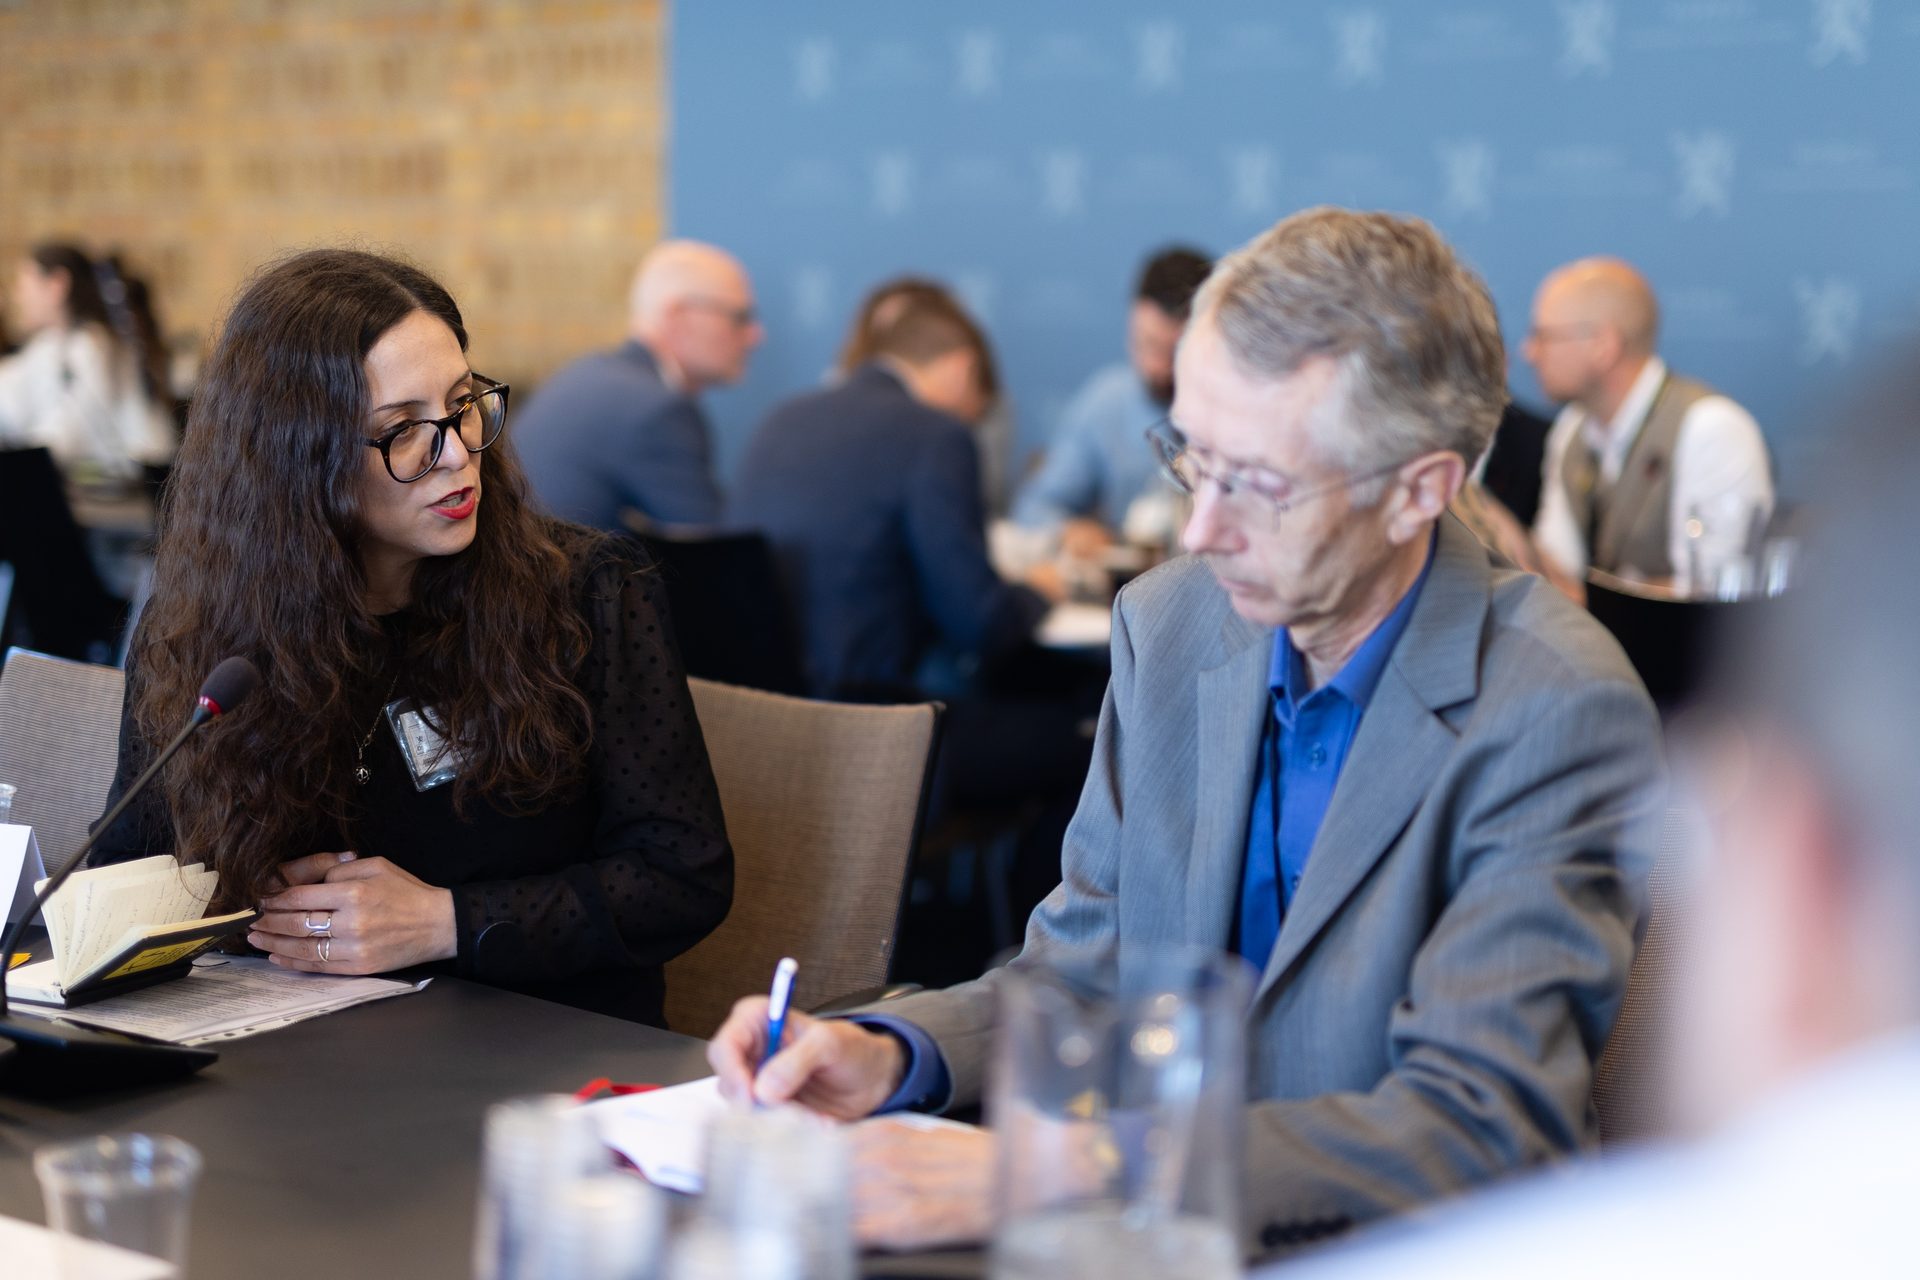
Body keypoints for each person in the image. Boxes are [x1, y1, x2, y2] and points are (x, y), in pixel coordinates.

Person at [708, 208, 1664, 1258]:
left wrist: (1045, 1170)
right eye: (1190, 458)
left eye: (1254, 481)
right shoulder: (1170, 623)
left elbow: (1472, 1122)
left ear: (1420, 488)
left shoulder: (1554, 701)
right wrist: (893, 1053)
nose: (1201, 529)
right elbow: (1081, 965)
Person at [1272, 354, 1920, 1279]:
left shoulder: (1703, 446)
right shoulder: (1573, 441)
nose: (1533, 353)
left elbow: (1704, 584)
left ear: (1795, 864)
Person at [92, 248, 733, 1027]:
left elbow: (682, 876)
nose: (459, 455)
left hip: (528, 1049)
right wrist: (236, 896)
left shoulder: (589, 593)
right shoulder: (205, 627)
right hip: (293, 1055)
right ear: (296, 460)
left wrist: (443, 922)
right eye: (402, 432)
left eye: (462, 405)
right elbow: (131, 864)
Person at [729, 284, 1060, 699]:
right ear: (962, 368)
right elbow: (979, 624)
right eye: (979, 404)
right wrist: (1040, 591)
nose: (974, 419)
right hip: (876, 719)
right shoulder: (937, 435)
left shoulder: (781, 418)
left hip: (759, 711)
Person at [1524, 258, 1772, 595]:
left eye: (1543, 336)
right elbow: (1555, 567)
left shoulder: (1712, 429)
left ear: (1603, 345)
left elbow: (1715, 595)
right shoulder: (1572, 429)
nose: (1529, 351)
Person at [516, 239, 761, 530]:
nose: (755, 336)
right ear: (679, 317)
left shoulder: (587, 376)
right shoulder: (658, 412)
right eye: (739, 318)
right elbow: (719, 554)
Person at [1010, 245, 1212, 553]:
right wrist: (1068, 532)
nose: (1157, 367)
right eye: (1145, 344)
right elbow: (1035, 508)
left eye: (1173, 353)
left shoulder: (1240, 412)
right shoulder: (1105, 402)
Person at [837, 276, 1014, 512]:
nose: (897, 339)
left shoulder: (974, 413)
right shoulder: (834, 404)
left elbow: (979, 500)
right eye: (886, 331)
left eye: (910, 325)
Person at [0, 242, 176, 479]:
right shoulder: (50, 345)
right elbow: (11, 394)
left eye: (24, 283)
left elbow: (67, 438)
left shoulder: (92, 345)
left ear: (57, 285)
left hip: (134, 493)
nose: (18, 296)